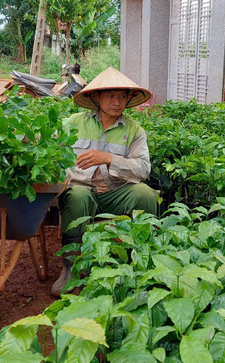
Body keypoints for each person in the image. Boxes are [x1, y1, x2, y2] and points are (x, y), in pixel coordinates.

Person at [51, 67, 158, 296]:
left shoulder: (134, 130)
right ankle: (70, 270)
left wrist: (110, 159)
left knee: (146, 194)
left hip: (115, 194)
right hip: (81, 192)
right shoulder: (72, 123)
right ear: (95, 97)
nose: (117, 102)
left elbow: (143, 169)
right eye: (110, 95)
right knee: (77, 195)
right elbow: (48, 150)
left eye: (121, 96)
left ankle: (138, 263)